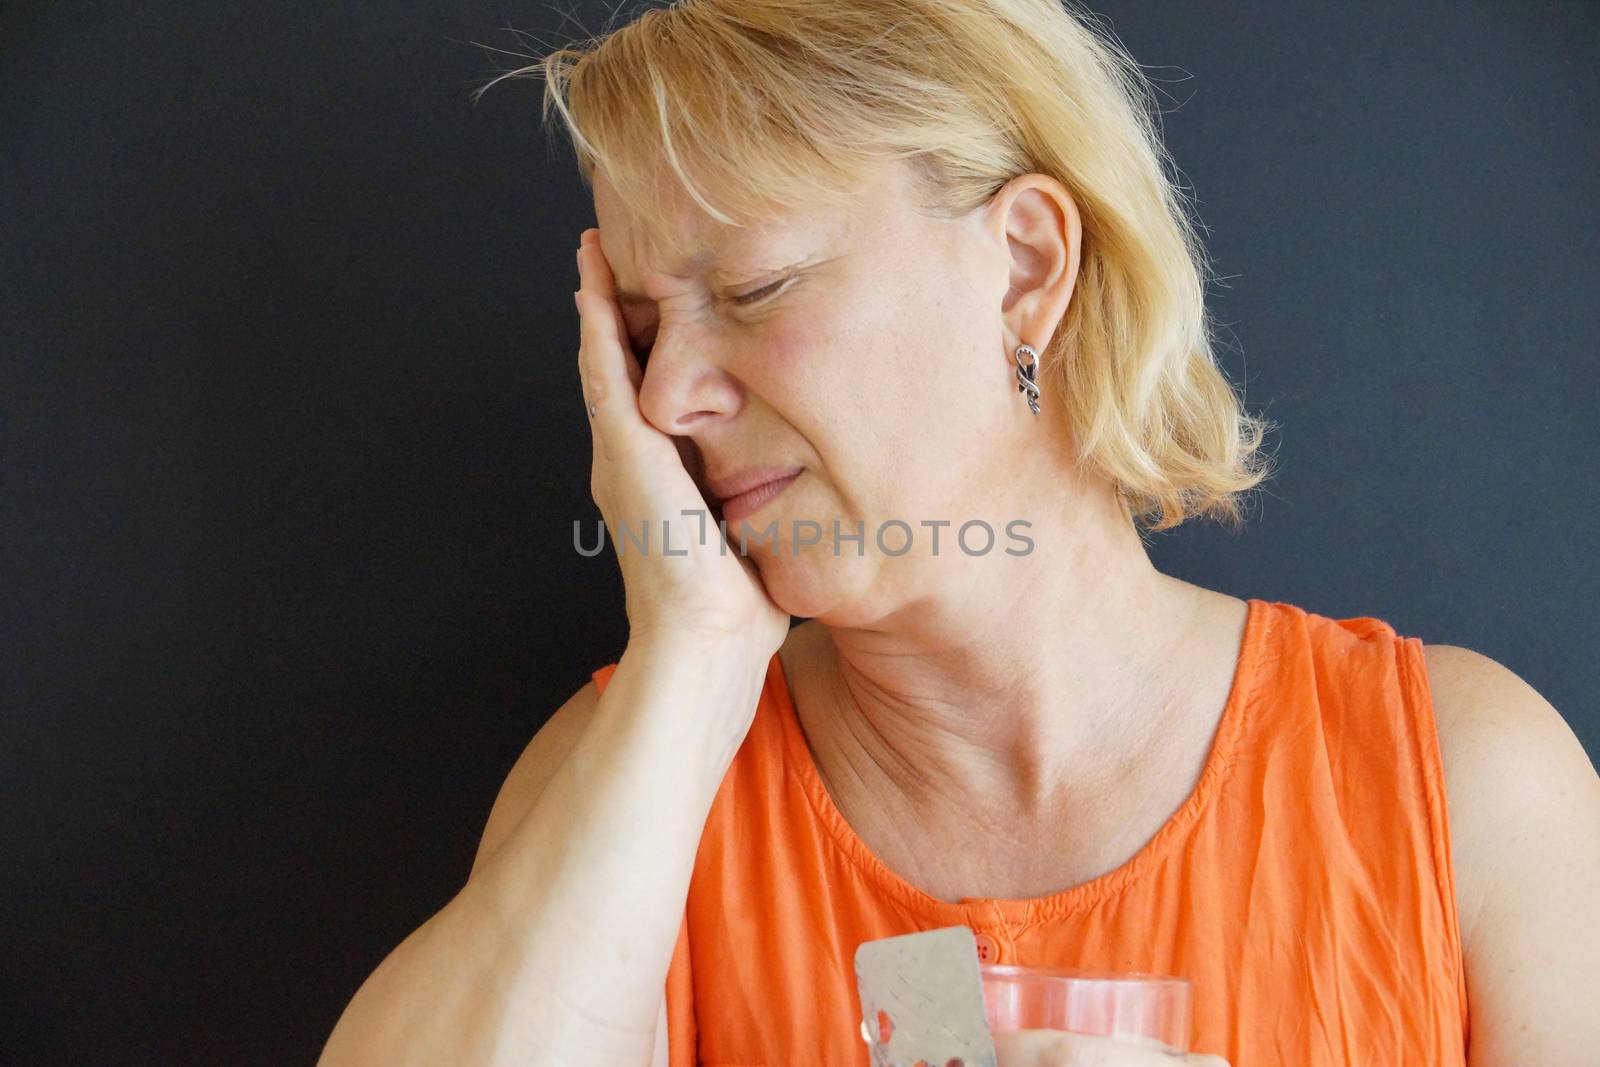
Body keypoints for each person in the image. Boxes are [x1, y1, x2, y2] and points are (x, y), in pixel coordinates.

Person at [316, 1, 1600, 1065]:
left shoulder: (1462, 787)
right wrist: (696, 658)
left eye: (754, 288)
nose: (664, 400)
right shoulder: (637, 782)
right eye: (645, 331)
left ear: (1029, 265)